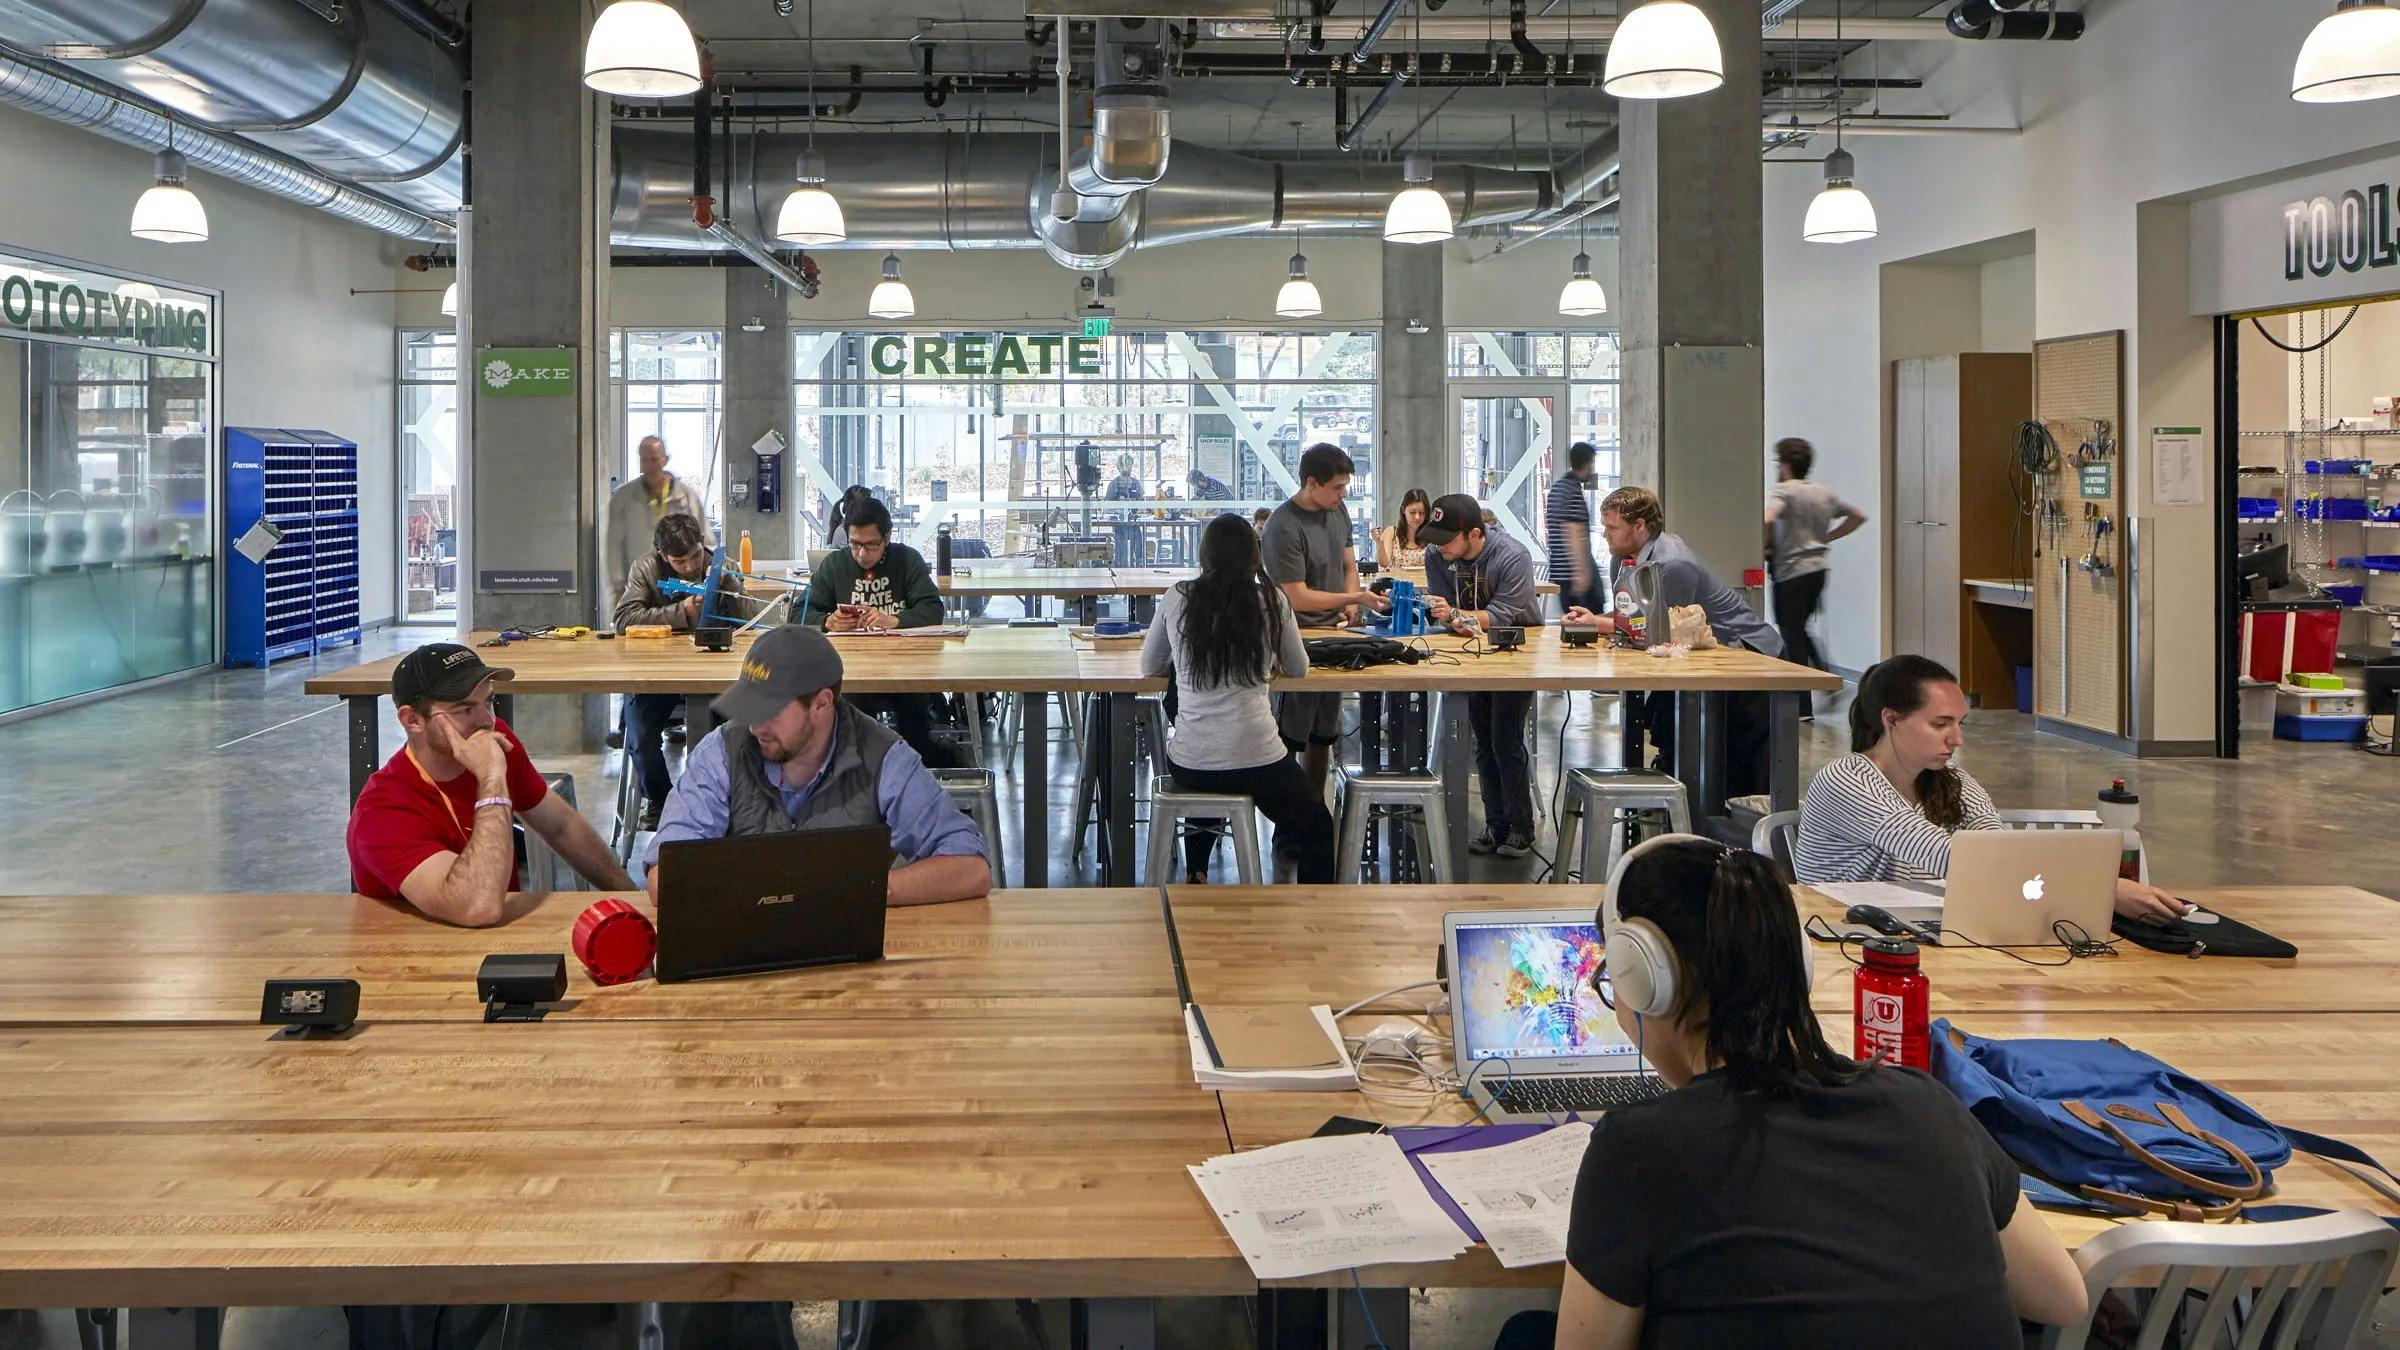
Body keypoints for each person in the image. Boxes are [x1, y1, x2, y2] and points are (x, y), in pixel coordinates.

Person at [1494, 835, 2086, 1350]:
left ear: (1644, 979)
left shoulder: (1637, 1149)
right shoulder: (1927, 1104)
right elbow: (2063, 1298)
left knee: (1525, 1333)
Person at [1795, 655, 2189, 922]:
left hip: (1921, 930)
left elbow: (2000, 853)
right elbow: (1953, 857)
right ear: (1891, 720)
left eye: (1959, 724)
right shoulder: (1846, 779)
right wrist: (2100, 889)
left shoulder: (1953, 782)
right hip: (1846, 939)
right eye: (1940, 724)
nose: (1956, 739)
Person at [644, 624, 990, 907]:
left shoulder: (884, 757)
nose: (755, 726)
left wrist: (862, 890)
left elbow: (969, 868)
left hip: (849, 962)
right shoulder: (721, 753)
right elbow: (665, 876)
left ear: (822, 703)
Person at [347, 643, 635, 926]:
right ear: (412, 720)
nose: (486, 721)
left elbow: (561, 826)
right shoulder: (382, 812)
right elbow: (477, 907)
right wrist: (492, 778)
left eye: (488, 702)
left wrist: (633, 898)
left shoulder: (495, 739)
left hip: (495, 947)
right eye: (464, 710)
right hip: (413, 963)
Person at [1139, 514, 1336, 883]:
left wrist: (1186, 659)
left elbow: (1149, 663)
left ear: (1205, 555)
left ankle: (1197, 873)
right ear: (1253, 555)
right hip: (1258, 759)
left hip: (1191, 761)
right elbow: (1299, 668)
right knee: (1317, 822)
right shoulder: (1272, 599)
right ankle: (1316, 914)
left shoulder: (1179, 597)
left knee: (1211, 777)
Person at [1562, 486, 1783, 797]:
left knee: (1739, 767)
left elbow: (1658, 627)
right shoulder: (1627, 557)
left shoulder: (1672, 563)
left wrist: (1597, 623)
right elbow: (1632, 612)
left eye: (1612, 528)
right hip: (1713, 656)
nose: (1605, 536)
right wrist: (1595, 617)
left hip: (1748, 653)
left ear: (1639, 526)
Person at [1419, 493, 1543, 858]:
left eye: (1446, 539)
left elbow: (1504, 614)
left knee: (1505, 738)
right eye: (1435, 537)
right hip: (1467, 652)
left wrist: (1454, 613)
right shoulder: (1435, 557)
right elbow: (1443, 610)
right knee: (1483, 742)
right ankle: (1496, 825)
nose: (1438, 547)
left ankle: (1521, 829)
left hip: (1515, 651)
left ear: (1475, 534)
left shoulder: (1512, 556)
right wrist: (1447, 615)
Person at [1260, 443, 1390, 792]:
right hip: (1296, 641)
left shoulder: (1338, 511)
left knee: (1323, 737)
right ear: (1311, 482)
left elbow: (1348, 562)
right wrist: (1356, 596)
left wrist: (1351, 605)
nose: (1342, 493)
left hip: (1336, 636)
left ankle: (1313, 812)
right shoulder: (1283, 527)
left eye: (1345, 486)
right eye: (1337, 487)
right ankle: (1288, 828)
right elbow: (1295, 596)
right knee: (1289, 740)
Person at [800, 495, 958, 767]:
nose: (862, 554)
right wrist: (827, 621)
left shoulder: (906, 560)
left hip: (905, 669)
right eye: (855, 545)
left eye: (871, 545)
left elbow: (933, 609)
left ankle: (918, 766)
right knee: (848, 716)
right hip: (850, 671)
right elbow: (799, 615)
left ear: (887, 537)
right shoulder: (834, 566)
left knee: (914, 719)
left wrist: (894, 620)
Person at [612, 512, 747, 828]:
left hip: (712, 672)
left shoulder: (721, 566)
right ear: (662, 556)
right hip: (659, 672)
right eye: (679, 561)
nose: (690, 566)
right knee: (641, 735)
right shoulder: (645, 569)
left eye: (695, 556)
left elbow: (748, 623)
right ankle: (661, 800)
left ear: (703, 544)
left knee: (735, 730)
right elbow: (624, 620)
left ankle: (720, 798)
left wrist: (732, 590)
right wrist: (681, 612)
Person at [1765, 437, 1867, 674]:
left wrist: (1766, 546)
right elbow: (1857, 516)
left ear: (1784, 464)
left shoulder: (1785, 490)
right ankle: (1821, 672)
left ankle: (1803, 701)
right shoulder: (1824, 493)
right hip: (1818, 571)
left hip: (1791, 572)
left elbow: (1768, 518)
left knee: (1792, 633)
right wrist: (1827, 538)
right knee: (1799, 629)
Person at [605, 435, 708, 604]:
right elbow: (613, 546)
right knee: (638, 627)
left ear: (665, 460)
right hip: (637, 584)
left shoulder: (687, 496)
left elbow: (704, 540)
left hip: (681, 584)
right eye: (644, 460)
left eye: (654, 459)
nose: (650, 466)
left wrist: (705, 579)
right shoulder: (623, 497)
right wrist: (617, 586)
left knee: (678, 622)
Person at [1547, 443, 1603, 615]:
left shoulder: (1557, 489)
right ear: (1588, 463)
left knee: (1572, 622)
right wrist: (1582, 573)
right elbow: (1573, 533)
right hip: (1574, 572)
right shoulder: (1572, 491)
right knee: (1591, 621)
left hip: (1560, 571)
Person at [1371, 487, 1430, 570]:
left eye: (1422, 513)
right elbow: (1384, 564)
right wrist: (1379, 543)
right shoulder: (1391, 532)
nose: (1417, 517)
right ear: (1403, 510)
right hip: (1396, 582)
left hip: (1424, 582)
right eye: (1412, 512)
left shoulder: (1431, 536)